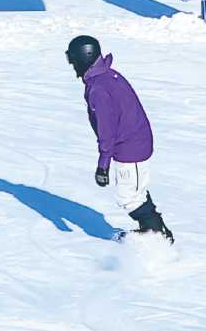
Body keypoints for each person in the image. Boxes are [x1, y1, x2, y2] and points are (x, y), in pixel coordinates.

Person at [67, 35, 172, 241]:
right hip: (135, 140)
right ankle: (153, 229)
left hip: (130, 146)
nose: (72, 66)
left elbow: (106, 130)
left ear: (84, 58)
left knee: (129, 198)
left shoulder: (98, 88)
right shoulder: (106, 75)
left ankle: (157, 234)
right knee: (135, 191)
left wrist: (103, 165)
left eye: (73, 60)